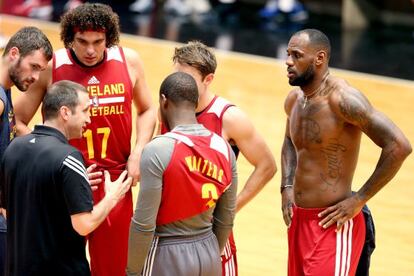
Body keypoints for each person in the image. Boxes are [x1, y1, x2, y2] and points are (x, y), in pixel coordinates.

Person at [13, 3, 156, 276]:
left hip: (114, 181)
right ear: (70, 38)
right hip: (64, 183)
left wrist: (139, 150)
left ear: (109, 38)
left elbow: (148, 109)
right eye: (82, 41)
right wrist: (48, 156)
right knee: (58, 267)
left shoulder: (130, 61)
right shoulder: (53, 66)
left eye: (98, 42)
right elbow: (17, 119)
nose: (90, 50)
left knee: (113, 269)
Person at [281, 28, 412, 276]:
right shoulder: (294, 100)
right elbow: (289, 140)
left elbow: (399, 146)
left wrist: (359, 199)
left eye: (296, 55)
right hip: (299, 221)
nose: (288, 61)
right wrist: (286, 186)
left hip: (333, 225)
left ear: (319, 58)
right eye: (288, 54)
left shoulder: (344, 100)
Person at [165, 41, 277, 275]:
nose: (179, 85)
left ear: (208, 80)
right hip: (170, 227)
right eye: (176, 76)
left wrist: (232, 208)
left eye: (187, 78)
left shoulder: (229, 117)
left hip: (210, 229)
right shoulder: (167, 108)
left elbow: (267, 165)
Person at [0, 80, 132, 275]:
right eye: (85, 111)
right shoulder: (69, 157)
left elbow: (6, 212)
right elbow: (84, 225)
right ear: (65, 112)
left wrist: (66, 186)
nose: (89, 119)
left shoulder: (14, 148)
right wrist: (112, 196)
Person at [127, 71, 237, 276]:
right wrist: (211, 252)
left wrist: (132, 272)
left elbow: (144, 224)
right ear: (196, 103)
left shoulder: (158, 149)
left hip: (167, 253)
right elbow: (226, 219)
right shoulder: (224, 148)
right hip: (209, 253)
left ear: (163, 101)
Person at [0, 26, 53, 275]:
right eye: (33, 67)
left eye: (40, 71)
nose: (35, 77)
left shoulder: (7, 94)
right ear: (14, 53)